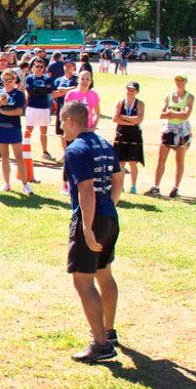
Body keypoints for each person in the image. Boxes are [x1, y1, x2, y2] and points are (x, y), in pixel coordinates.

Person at [60, 100, 122, 363]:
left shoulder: (75, 149)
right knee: (104, 273)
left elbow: (85, 188)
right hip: (109, 216)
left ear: (72, 121)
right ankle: (109, 331)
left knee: (83, 281)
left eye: (62, 122)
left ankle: (100, 345)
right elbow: (118, 178)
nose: (61, 127)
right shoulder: (104, 143)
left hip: (92, 219)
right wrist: (110, 205)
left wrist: (86, 227)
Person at [146, 73, 195, 198]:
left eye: (182, 80)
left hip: (182, 131)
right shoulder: (168, 96)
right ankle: (156, 186)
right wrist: (177, 113)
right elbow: (162, 114)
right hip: (168, 129)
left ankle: (176, 188)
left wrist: (171, 112)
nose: (180, 82)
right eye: (177, 80)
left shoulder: (189, 97)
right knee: (161, 159)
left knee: (180, 161)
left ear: (186, 82)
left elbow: (186, 115)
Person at [0, 70, 32, 194]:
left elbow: (18, 111)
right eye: (4, 81)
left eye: (10, 80)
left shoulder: (18, 94)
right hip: (1, 127)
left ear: (14, 80)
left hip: (14, 128)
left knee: (19, 157)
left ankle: (25, 184)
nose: (7, 83)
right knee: (5, 157)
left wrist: (2, 111)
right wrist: (0, 103)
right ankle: (6, 183)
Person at [63, 70, 101, 196]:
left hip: (87, 132)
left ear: (91, 81)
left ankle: (85, 183)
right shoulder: (71, 94)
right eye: (82, 79)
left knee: (86, 157)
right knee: (70, 156)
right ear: (78, 80)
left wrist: (93, 126)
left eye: (87, 79)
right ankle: (66, 184)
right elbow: (65, 113)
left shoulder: (93, 95)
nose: (85, 82)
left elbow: (97, 113)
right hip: (73, 131)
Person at [112, 81, 144, 194]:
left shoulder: (140, 104)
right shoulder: (120, 102)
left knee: (133, 162)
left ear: (137, 92)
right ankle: (120, 185)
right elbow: (115, 118)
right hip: (121, 134)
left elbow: (139, 119)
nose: (130, 92)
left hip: (134, 135)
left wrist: (124, 118)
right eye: (128, 89)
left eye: (133, 90)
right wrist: (131, 121)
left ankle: (133, 186)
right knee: (120, 162)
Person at [24, 58, 55, 161]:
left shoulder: (47, 79)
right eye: (37, 66)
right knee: (29, 131)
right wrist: (42, 90)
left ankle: (45, 152)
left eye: (41, 67)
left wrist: (38, 90)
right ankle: (25, 150)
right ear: (33, 67)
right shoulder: (29, 78)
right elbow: (30, 90)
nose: (39, 69)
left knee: (43, 132)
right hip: (32, 107)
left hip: (44, 107)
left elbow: (49, 90)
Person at [52, 59, 79, 156]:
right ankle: (66, 154)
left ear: (74, 67)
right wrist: (68, 90)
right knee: (63, 133)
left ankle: (76, 153)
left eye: (70, 66)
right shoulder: (58, 80)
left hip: (74, 110)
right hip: (62, 109)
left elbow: (77, 91)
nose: (67, 68)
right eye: (66, 66)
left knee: (75, 132)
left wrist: (64, 90)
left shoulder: (77, 79)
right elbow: (53, 94)